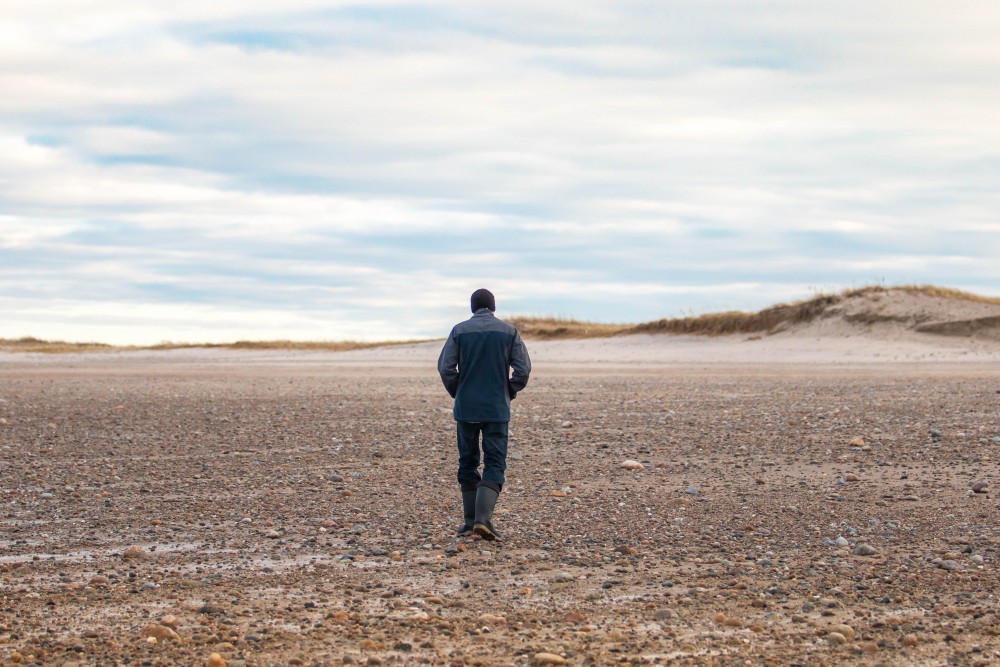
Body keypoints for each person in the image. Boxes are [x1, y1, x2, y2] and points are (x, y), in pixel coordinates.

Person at [437, 288, 531, 541]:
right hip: (496, 409)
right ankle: (483, 520)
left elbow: (446, 368)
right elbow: (522, 370)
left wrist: (459, 390)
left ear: (472, 307)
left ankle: (469, 523)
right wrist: (508, 391)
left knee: (467, 461)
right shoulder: (509, 332)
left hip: (466, 407)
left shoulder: (459, 330)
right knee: (494, 462)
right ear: (494, 307)